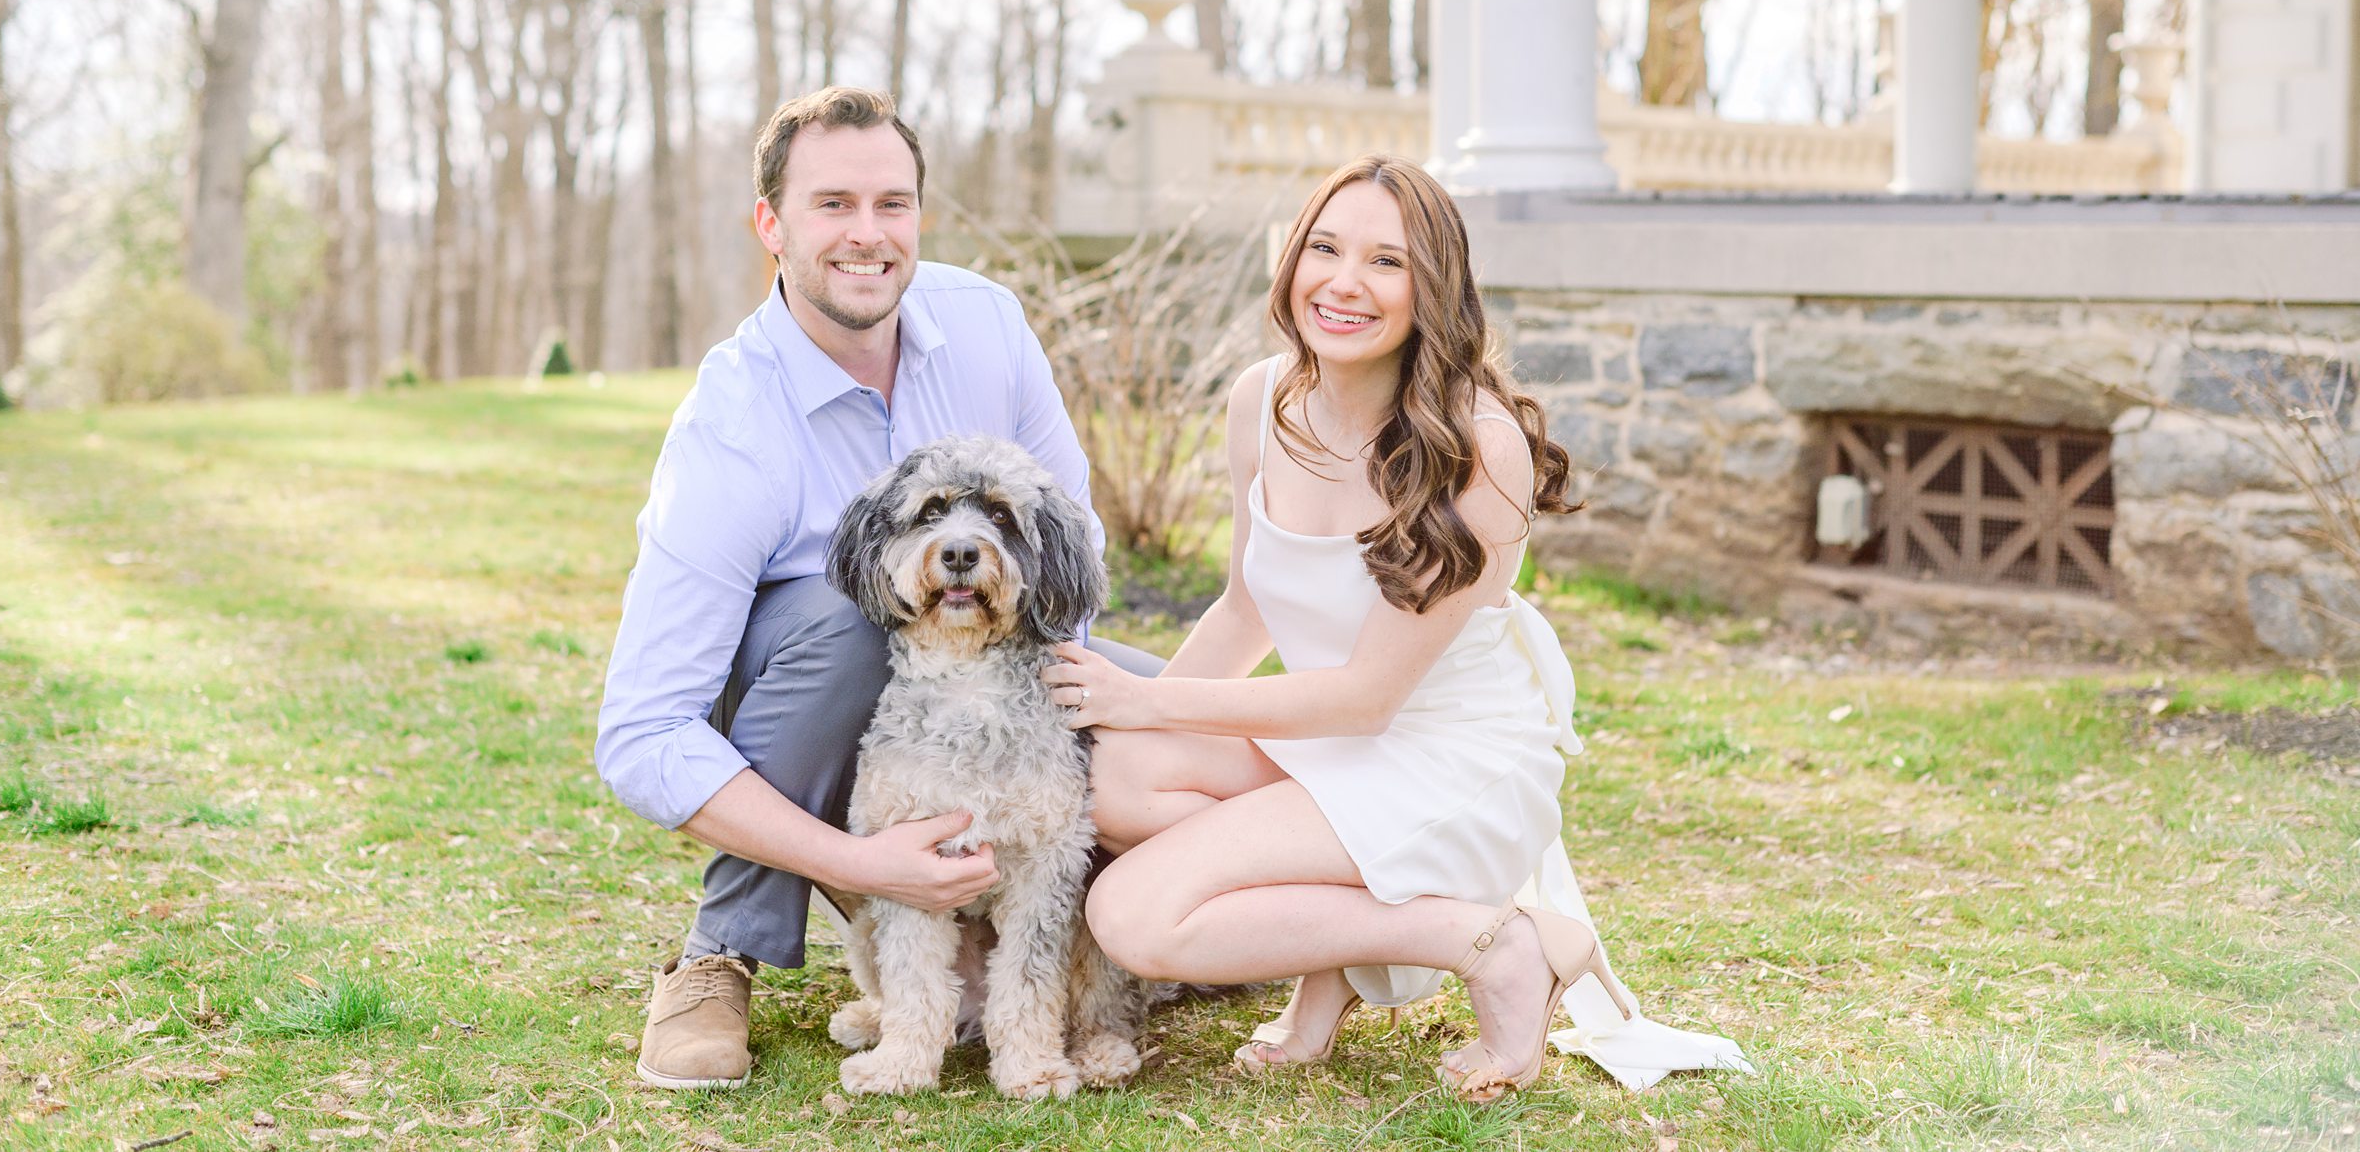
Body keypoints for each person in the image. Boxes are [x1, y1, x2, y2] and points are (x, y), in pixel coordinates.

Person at [1040, 154, 1749, 1098]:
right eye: (1324, 248)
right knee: (1121, 774)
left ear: (1435, 289)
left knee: (1133, 915)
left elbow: (1370, 697)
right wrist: (1139, 717)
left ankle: (1492, 941)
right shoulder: (1261, 400)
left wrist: (1147, 692)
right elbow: (1247, 606)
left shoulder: (1478, 447)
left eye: (1386, 262)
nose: (1342, 283)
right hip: (1328, 740)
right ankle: (1326, 979)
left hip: (1445, 755)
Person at [594, 86, 1157, 1091]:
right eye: (833, 205)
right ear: (770, 225)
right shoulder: (733, 421)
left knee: (1187, 722)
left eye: (891, 204)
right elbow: (641, 732)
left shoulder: (986, 324)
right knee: (848, 617)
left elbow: (1073, 547)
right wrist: (863, 864)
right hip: (800, 696)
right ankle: (721, 952)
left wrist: (1061, 729)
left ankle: (1169, 945)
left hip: (1001, 656)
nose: (868, 234)